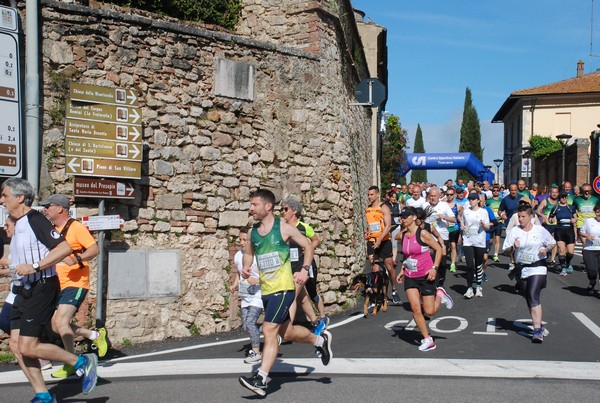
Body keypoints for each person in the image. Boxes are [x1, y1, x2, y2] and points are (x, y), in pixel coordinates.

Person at [0, 178, 98, 402]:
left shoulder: (35, 220)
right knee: (16, 346)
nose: (1, 199)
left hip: (41, 287)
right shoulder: (17, 224)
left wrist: (35, 266)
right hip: (22, 290)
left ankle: (81, 362)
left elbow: (64, 247)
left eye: (5, 195)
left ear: (20, 197)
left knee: (28, 345)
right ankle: (43, 395)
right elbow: (17, 262)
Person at [238, 189, 332, 397]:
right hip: (267, 290)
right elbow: (248, 253)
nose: (250, 208)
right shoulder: (253, 232)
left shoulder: (283, 227)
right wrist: (246, 267)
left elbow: (308, 245)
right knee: (286, 332)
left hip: (284, 288)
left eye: (254, 204)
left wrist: (305, 269)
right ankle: (319, 341)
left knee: (269, 329)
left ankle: (261, 379)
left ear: (268, 206)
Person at [38, 194, 105, 379]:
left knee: (60, 322)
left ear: (59, 208)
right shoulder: (52, 229)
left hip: (76, 283)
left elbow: (94, 249)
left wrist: (77, 258)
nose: (45, 209)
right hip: (57, 283)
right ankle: (94, 335)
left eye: (48, 206)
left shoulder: (76, 227)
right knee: (54, 325)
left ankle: (71, 362)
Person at [0, 216, 53, 372]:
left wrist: (5, 267)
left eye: (7, 225)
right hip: (16, 290)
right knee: (5, 323)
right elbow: (12, 266)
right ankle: (32, 355)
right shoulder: (15, 244)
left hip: (30, 290)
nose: (4, 228)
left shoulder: (26, 244)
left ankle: (39, 354)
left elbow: (20, 267)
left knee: (6, 321)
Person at [396, 207, 451, 352]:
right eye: (401, 217)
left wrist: (434, 268)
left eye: (405, 216)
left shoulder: (423, 233)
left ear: (414, 217)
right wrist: (402, 270)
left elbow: (438, 249)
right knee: (415, 307)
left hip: (426, 275)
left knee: (430, 312)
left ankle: (440, 294)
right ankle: (428, 339)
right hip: (410, 276)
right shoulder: (403, 236)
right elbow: (407, 256)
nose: (402, 219)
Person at [503, 204, 556, 343]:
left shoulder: (540, 230)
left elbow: (552, 243)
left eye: (523, 217)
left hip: (538, 267)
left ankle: (537, 331)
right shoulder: (514, 232)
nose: (520, 219)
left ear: (531, 217)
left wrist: (546, 249)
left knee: (533, 295)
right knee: (528, 297)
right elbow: (506, 251)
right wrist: (513, 247)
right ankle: (537, 323)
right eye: (519, 217)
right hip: (522, 268)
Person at [280, 196, 328, 333]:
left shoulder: (303, 227)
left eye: (285, 209)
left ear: (294, 211)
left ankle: (287, 327)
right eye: (282, 209)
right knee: (302, 297)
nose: (283, 212)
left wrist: (308, 247)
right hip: (289, 268)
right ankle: (317, 322)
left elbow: (315, 240)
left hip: (303, 267)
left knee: (295, 295)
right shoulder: (282, 228)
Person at [230, 227, 263, 364]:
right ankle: (271, 330)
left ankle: (256, 352)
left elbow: (270, 275)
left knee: (250, 323)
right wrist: (234, 284)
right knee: (246, 326)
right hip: (245, 294)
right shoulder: (238, 255)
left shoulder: (258, 254)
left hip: (258, 294)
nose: (242, 242)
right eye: (240, 239)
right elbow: (239, 273)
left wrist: (257, 280)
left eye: (245, 239)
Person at [365, 186, 401, 304]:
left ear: (377, 194)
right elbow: (370, 224)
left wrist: (380, 239)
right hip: (372, 241)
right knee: (374, 266)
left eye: (372, 194)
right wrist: (367, 233)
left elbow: (388, 225)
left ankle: (394, 290)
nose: (370, 197)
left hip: (384, 241)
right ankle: (377, 294)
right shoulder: (368, 208)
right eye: (369, 195)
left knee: (389, 267)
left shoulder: (383, 207)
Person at [423, 187, 457, 288]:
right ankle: (431, 283)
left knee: (442, 261)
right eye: (431, 196)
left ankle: (440, 284)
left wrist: (444, 217)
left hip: (442, 235)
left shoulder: (444, 205)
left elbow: (454, 219)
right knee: (429, 260)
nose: (433, 198)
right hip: (428, 236)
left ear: (439, 196)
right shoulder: (425, 205)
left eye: (434, 196)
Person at [460, 193, 491, 298]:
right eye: (470, 199)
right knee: (469, 265)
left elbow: (487, 227)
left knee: (478, 265)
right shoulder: (466, 211)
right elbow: (462, 222)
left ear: (478, 200)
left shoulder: (484, 212)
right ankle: (469, 288)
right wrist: (462, 225)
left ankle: (478, 286)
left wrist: (483, 225)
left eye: (473, 199)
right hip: (468, 240)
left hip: (479, 241)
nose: (471, 201)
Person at [548, 191, 577, 276]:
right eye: (562, 197)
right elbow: (550, 218)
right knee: (561, 250)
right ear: (559, 198)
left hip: (569, 230)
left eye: (565, 197)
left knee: (571, 252)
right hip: (559, 230)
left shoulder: (571, 208)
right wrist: (551, 220)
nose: (564, 198)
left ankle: (567, 262)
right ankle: (563, 268)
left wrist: (574, 220)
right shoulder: (556, 208)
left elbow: (576, 218)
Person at [578, 203, 600, 295]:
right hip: (590, 249)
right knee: (592, 272)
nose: (599, 213)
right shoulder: (589, 221)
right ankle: (592, 281)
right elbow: (581, 232)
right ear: (595, 212)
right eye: (598, 211)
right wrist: (588, 235)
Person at [486, 185, 504, 262]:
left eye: (497, 190)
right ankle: (487, 249)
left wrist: (503, 215)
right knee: (490, 240)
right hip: (490, 222)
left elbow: (504, 209)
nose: (495, 192)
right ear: (492, 191)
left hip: (499, 222)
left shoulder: (502, 200)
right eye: (494, 190)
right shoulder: (488, 201)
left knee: (497, 238)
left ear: (499, 192)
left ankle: (496, 254)